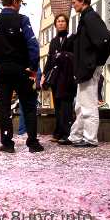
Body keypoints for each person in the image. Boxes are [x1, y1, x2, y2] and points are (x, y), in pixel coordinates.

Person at [0, 0, 44, 153]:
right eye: (20, 2)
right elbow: (33, 45)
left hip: (2, 70)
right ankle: (32, 143)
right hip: (21, 69)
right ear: (15, 2)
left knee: (5, 107)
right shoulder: (23, 20)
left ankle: (7, 143)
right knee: (28, 106)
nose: (20, 5)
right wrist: (33, 67)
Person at [67, 0, 110, 147]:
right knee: (80, 104)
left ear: (82, 1)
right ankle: (76, 136)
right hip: (86, 68)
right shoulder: (86, 18)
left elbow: (105, 41)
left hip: (88, 69)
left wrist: (95, 64)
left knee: (88, 104)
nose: (73, 6)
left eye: (74, 3)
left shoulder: (90, 18)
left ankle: (90, 139)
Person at [40, 14, 76, 145]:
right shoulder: (54, 41)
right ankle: (58, 132)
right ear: (55, 24)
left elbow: (75, 57)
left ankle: (67, 134)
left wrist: (64, 55)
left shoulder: (72, 38)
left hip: (67, 78)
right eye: (58, 21)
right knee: (58, 106)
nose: (60, 23)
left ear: (66, 23)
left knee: (66, 106)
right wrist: (44, 75)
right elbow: (49, 60)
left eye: (63, 21)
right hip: (56, 78)